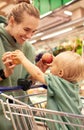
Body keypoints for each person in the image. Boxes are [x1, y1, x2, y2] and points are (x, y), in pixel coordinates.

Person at [9, 50, 84, 130]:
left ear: (60, 73)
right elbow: (67, 68)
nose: (50, 66)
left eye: (53, 65)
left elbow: (37, 74)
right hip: (75, 125)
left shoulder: (56, 82)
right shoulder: (74, 85)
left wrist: (23, 59)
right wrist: (57, 62)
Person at [0, 1, 40, 130]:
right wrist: (4, 74)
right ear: (12, 21)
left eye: (33, 31)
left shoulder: (28, 49)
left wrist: (38, 71)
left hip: (22, 118)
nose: (29, 36)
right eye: (26, 29)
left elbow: (28, 83)